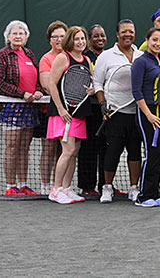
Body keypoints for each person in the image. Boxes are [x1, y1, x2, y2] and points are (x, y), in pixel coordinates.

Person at [93, 20, 143, 204]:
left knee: (135, 152)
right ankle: (107, 188)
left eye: (131, 31)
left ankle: (134, 188)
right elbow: (97, 83)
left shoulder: (141, 55)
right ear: (117, 34)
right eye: (124, 31)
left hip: (136, 113)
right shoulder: (106, 56)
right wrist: (102, 104)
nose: (127, 34)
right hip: (113, 113)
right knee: (112, 152)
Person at [0, 20, 43, 196]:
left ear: (26, 36)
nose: (18, 36)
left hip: (30, 107)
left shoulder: (29, 54)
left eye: (21, 33)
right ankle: (10, 186)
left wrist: (37, 91)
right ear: (8, 36)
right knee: (12, 146)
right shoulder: (1, 55)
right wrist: (22, 94)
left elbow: (37, 80)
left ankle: (22, 184)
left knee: (24, 147)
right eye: (15, 33)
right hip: (11, 107)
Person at [46, 26, 94, 204]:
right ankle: (56, 189)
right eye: (77, 39)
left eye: (83, 38)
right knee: (68, 150)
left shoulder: (87, 60)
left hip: (79, 112)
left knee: (74, 151)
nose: (80, 42)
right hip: (63, 113)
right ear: (70, 41)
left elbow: (90, 81)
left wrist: (92, 90)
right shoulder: (62, 58)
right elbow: (52, 84)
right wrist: (60, 109)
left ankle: (66, 188)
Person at [132, 27, 160, 207]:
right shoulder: (140, 62)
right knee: (152, 153)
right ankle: (144, 196)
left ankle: (154, 193)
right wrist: (149, 115)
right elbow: (136, 92)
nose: (158, 43)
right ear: (147, 40)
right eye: (155, 40)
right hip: (147, 113)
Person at [36, 20, 67, 195]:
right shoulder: (46, 59)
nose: (58, 40)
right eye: (55, 37)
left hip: (69, 111)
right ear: (49, 40)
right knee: (48, 149)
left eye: (62, 36)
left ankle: (61, 185)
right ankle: (45, 184)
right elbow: (48, 85)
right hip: (49, 112)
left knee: (64, 150)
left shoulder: (71, 56)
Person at [77, 24, 107, 195]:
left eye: (102, 35)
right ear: (89, 39)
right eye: (96, 36)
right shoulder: (83, 57)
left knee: (106, 149)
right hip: (88, 111)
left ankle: (106, 185)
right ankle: (87, 187)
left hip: (106, 111)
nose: (100, 39)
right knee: (87, 149)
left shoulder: (110, 56)